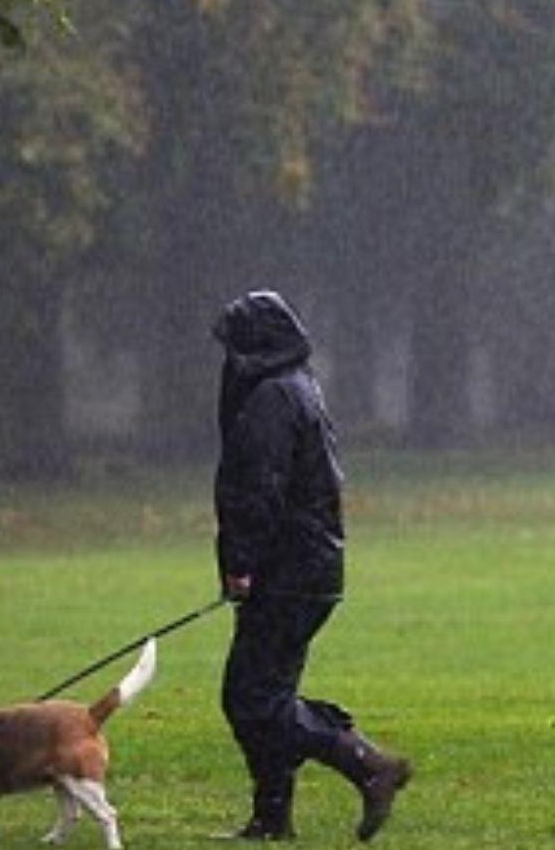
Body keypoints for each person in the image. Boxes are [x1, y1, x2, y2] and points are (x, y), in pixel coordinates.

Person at [211, 289, 411, 842]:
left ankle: (367, 764)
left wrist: (241, 564)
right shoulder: (299, 389)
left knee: (252, 699)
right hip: (309, 568)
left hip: (287, 573)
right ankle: (272, 818)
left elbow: (259, 489)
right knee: (265, 696)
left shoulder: (273, 397)